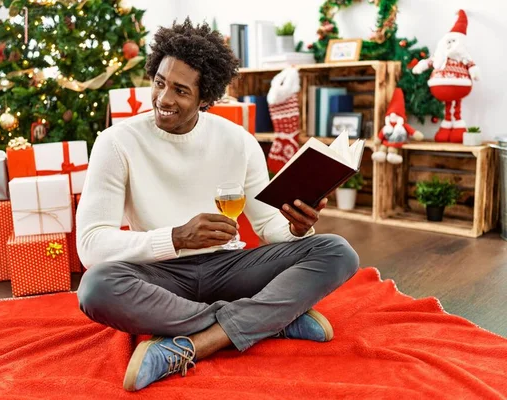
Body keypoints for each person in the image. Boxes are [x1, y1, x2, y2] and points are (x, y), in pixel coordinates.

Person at [76, 18, 359, 392]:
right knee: (96, 286)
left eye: (180, 90)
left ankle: (198, 342)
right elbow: (91, 245)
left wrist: (295, 227)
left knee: (336, 251)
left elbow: (267, 228)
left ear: (205, 97)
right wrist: (175, 238)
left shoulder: (238, 141)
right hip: (160, 275)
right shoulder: (116, 142)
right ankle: (271, 320)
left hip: (229, 269)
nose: (163, 99)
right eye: (160, 82)